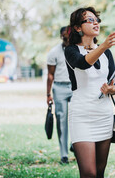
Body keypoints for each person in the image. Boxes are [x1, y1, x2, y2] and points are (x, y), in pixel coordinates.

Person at [64, 7, 115, 178]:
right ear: (78, 28)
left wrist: (111, 89)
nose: (95, 23)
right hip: (81, 116)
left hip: (103, 115)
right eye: (89, 20)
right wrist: (103, 46)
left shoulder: (106, 53)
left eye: (97, 20)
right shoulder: (71, 50)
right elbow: (82, 63)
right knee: (89, 173)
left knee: (100, 172)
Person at [46, 26, 73, 164]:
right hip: (59, 87)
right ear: (61, 36)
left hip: (75, 87)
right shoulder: (54, 52)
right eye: (64, 35)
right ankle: (64, 154)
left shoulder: (77, 49)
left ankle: (75, 144)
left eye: (68, 34)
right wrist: (48, 94)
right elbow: (50, 75)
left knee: (78, 117)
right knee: (61, 121)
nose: (66, 37)